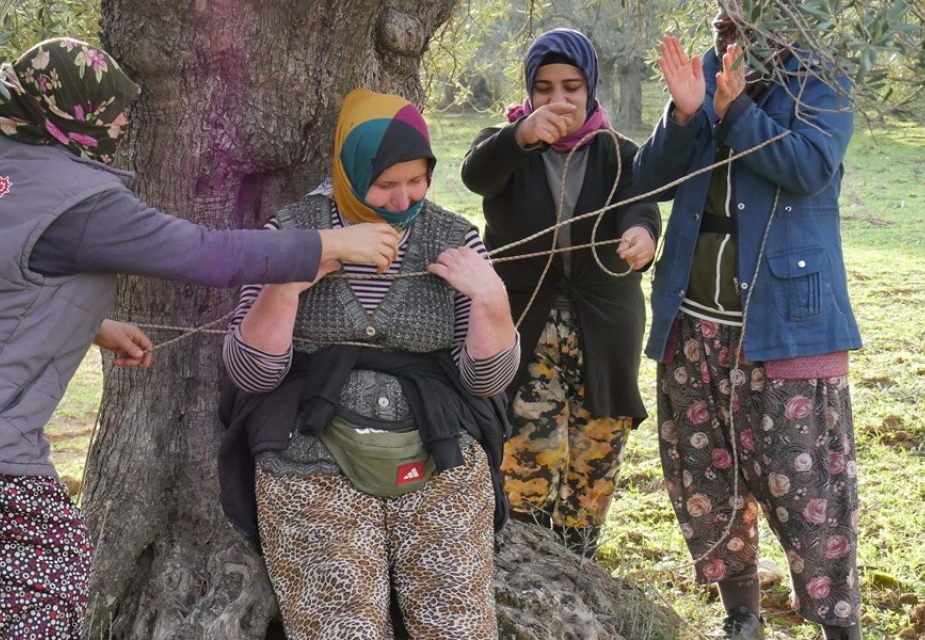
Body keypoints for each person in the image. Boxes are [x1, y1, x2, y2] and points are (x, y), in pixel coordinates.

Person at [0, 38, 402, 640]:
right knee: (43, 567)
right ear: (78, 114)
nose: (121, 127)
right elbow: (201, 253)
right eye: (113, 113)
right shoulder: (83, 202)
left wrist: (87, 323)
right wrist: (325, 243)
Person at [217, 88, 519, 640]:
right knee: (337, 627)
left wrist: (492, 302)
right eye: (385, 184)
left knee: (457, 626)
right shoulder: (291, 233)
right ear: (349, 172)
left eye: (417, 181)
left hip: (438, 454)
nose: (404, 200)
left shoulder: (453, 238)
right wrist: (288, 285)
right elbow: (250, 374)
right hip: (309, 456)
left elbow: (485, 381)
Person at [635, 6, 862, 639]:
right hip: (693, 319)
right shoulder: (706, 73)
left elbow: (809, 166)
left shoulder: (823, 80)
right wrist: (683, 115)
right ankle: (742, 619)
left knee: (808, 487)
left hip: (787, 327)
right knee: (707, 473)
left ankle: (840, 630)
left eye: (746, 12)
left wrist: (735, 113)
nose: (727, 21)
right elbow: (648, 178)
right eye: (724, 12)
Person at [460, 28, 660, 558]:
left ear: (590, 88)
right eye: (544, 88)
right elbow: (476, 177)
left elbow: (640, 207)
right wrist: (520, 137)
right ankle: (525, 552)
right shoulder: (503, 144)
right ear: (529, 91)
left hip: (605, 326)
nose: (558, 100)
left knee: (598, 443)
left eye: (571, 86)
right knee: (529, 442)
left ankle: (577, 557)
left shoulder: (618, 153)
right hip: (525, 321)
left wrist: (644, 235)